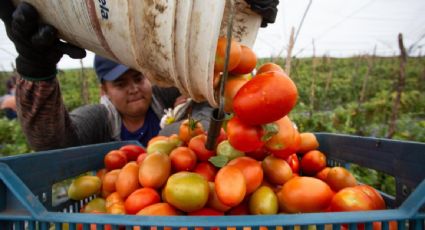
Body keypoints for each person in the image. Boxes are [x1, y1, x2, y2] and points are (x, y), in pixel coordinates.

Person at [0, 1, 278, 151]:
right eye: (120, 84)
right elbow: (51, 143)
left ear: (149, 77)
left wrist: (235, 23)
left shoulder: (163, 97)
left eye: (137, 78)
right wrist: (35, 69)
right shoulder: (100, 120)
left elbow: (212, 88)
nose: (133, 88)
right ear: (104, 91)